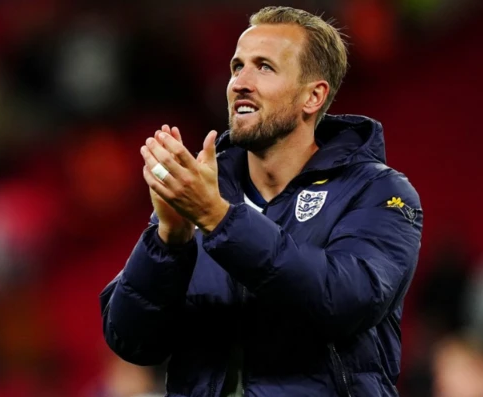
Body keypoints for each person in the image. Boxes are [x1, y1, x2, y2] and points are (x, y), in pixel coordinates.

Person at [100, 6, 422, 397]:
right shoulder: (205, 191)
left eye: (264, 67)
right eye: (238, 67)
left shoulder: (376, 193)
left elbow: (345, 300)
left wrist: (218, 219)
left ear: (313, 96)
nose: (239, 83)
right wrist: (168, 239)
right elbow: (130, 339)